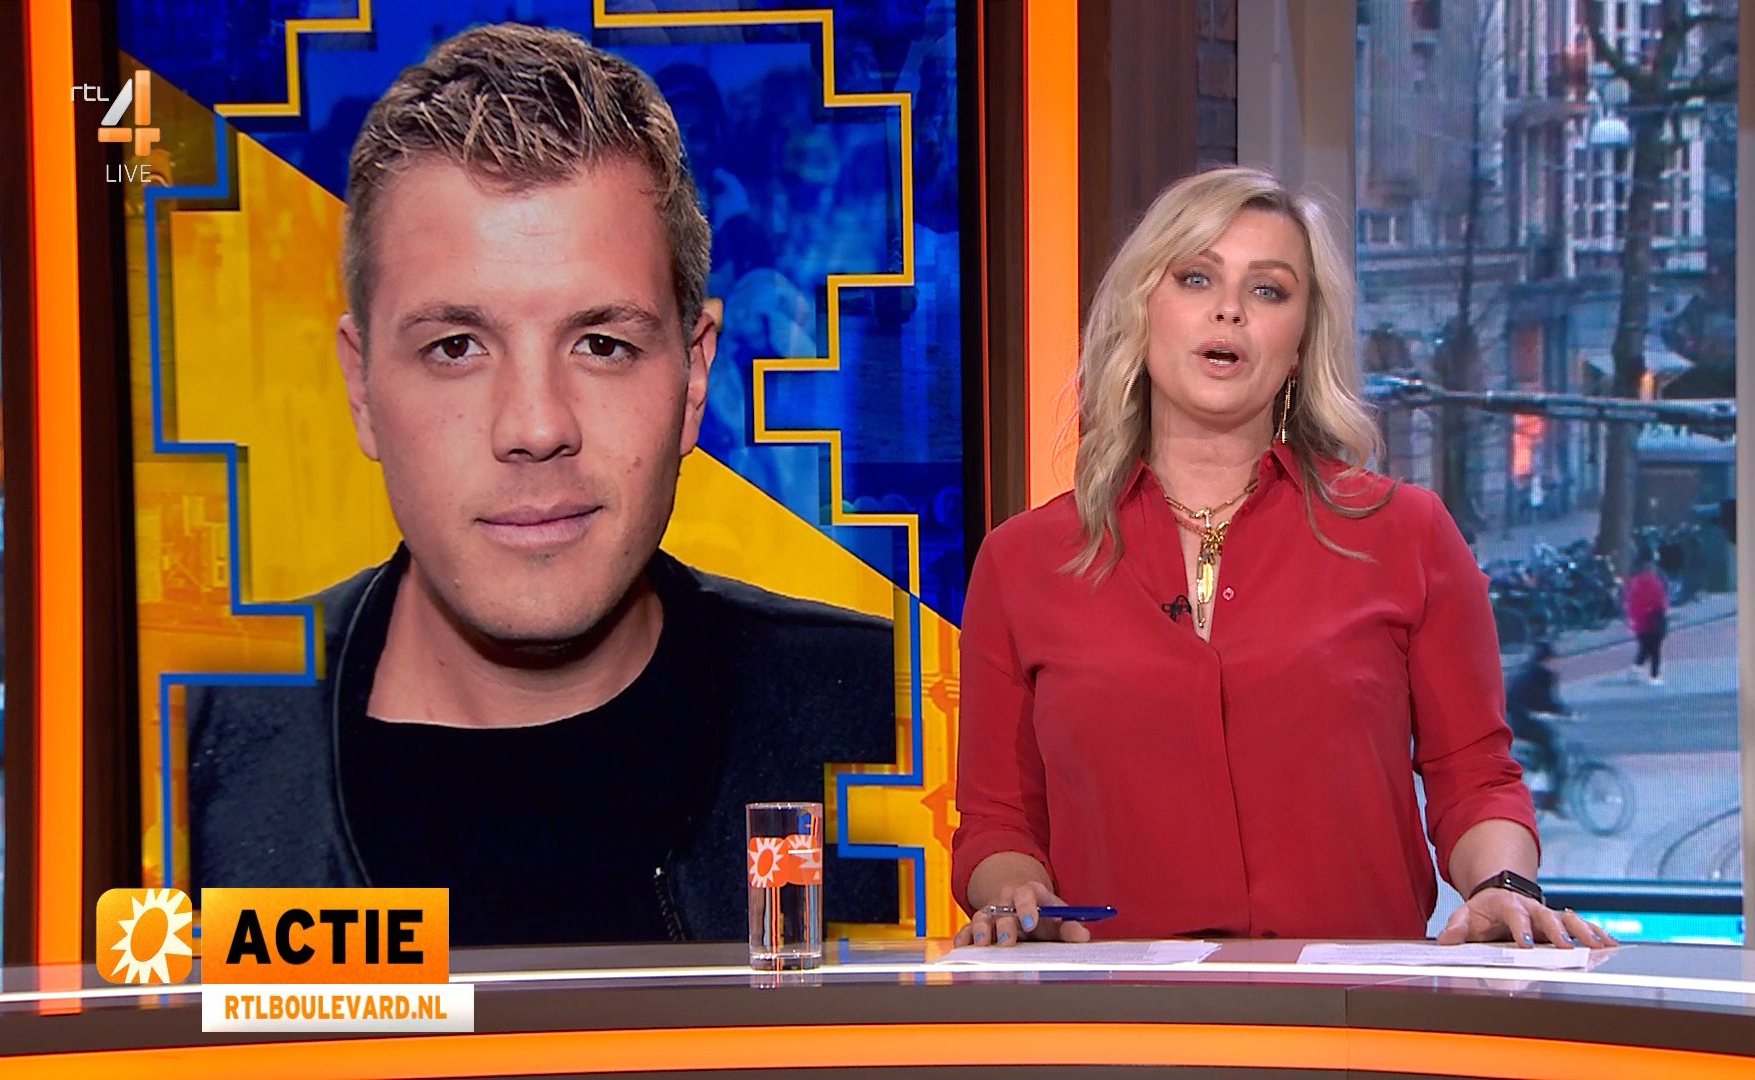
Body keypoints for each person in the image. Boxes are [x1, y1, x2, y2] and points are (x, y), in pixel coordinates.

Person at [188, 24, 895, 947]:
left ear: (693, 378)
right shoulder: (191, 753)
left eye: (601, 344)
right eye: (455, 347)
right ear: (360, 387)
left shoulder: (893, 718)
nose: (534, 427)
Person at [950, 166, 1617, 951]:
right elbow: (997, 821)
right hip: (1119, 1005)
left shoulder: (1406, 534)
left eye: (1268, 290)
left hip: (1349, 1008)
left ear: (1299, 345)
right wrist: (1014, 891)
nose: (1229, 308)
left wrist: (1502, 887)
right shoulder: (1023, 562)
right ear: (1140, 311)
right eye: (1196, 277)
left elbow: (1475, 777)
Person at [1505, 641, 1569, 805]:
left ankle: (1551, 790)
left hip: (1534, 721)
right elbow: (1515, 702)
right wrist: (1531, 714)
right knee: (1551, 751)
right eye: (1552, 660)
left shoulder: (1547, 677)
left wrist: (1565, 712)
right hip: (1523, 724)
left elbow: (1550, 702)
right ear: (1544, 660)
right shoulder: (1528, 677)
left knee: (1553, 748)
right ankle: (1550, 796)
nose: (1556, 663)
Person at [1625, 556, 1671, 686]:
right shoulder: (1655, 583)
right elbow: (1660, 601)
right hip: (1654, 621)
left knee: (1644, 647)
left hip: (1640, 622)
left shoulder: (1634, 583)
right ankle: (1654, 676)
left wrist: (1632, 620)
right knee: (1655, 649)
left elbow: (1630, 603)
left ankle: (1636, 669)